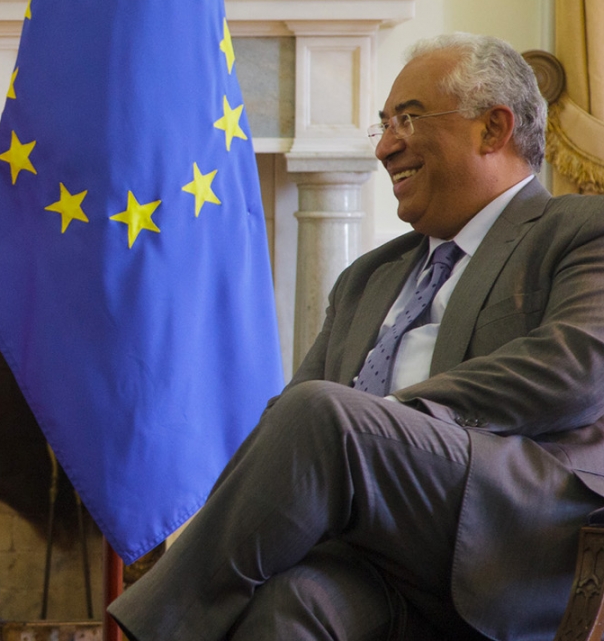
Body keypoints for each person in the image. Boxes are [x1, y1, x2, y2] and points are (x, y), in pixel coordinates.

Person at [108, 33, 604, 641]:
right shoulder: (368, 277)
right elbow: (287, 421)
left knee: (324, 414)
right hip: (372, 557)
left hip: (511, 534)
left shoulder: (580, 229)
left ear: (493, 129)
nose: (387, 146)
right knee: (289, 607)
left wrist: (384, 421)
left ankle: (151, 631)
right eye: (385, 125)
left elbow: (577, 369)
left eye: (410, 119)